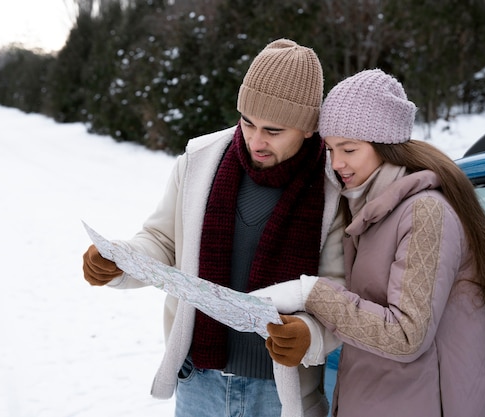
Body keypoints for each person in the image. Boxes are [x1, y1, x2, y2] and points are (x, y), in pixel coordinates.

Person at [82, 39, 345, 417]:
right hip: (199, 383)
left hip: (281, 395)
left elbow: (338, 294)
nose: (256, 140)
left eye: (273, 130)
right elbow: (162, 241)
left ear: (307, 128)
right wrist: (119, 261)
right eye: (248, 122)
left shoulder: (332, 189)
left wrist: (310, 336)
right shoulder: (200, 161)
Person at [252, 69, 485, 417]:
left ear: (386, 145)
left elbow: (406, 336)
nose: (337, 164)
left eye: (349, 149)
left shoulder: (425, 213)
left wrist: (311, 293)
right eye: (331, 149)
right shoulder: (368, 210)